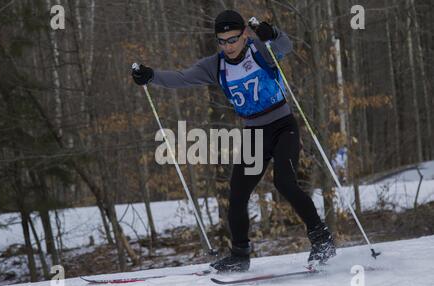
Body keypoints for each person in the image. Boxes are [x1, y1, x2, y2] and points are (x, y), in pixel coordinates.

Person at [132, 10, 336, 272]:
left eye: (233, 39)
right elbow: (182, 78)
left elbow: (286, 46)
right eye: (222, 41)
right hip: (254, 133)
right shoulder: (215, 65)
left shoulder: (260, 49)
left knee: (284, 182)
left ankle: (322, 240)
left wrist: (272, 34)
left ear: (244, 35)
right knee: (237, 193)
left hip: (283, 126)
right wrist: (151, 76)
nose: (228, 46)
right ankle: (240, 254)